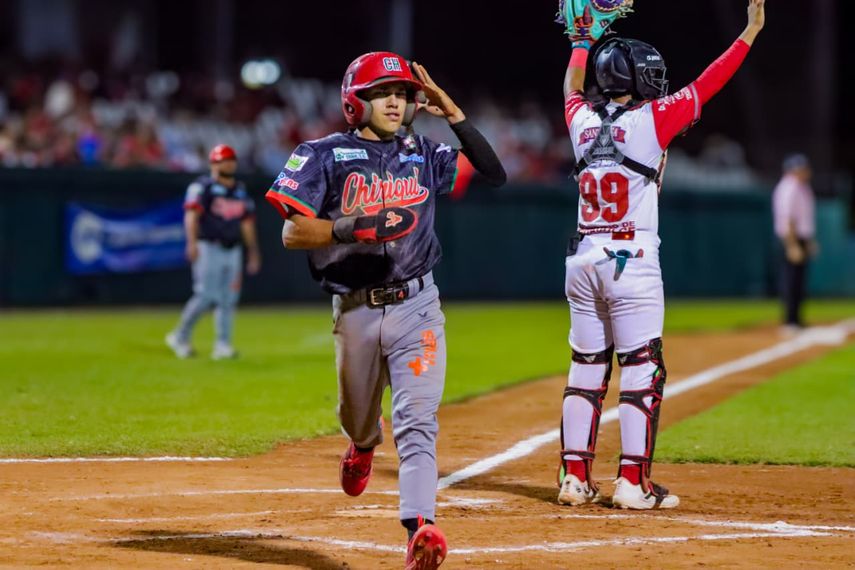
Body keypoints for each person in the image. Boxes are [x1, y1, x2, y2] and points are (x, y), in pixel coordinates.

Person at [265, 52, 505, 569]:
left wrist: (452, 111)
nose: (394, 101)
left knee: (417, 418)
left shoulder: (425, 153)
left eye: (400, 92)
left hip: (418, 304)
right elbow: (291, 231)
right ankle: (362, 444)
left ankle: (421, 527)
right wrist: (351, 226)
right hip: (355, 309)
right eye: (380, 92)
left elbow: (493, 172)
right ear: (355, 101)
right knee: (357, 415)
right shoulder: (322, 154)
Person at [556, 0, 765, 509]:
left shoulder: (581, 121)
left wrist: (580, 41)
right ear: (634, 77)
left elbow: (570, 89)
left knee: (586, 369)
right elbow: (709, 83)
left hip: (582, 260)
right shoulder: (653, 119)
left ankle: (574, 478)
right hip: (631, 260)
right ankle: (632, 483)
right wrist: (751, 31)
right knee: (642, 368)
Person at [166, 144, 261, 359]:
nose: (227, 163)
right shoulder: (203, 187)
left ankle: (222, 345)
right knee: (206, 296)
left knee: (228, 299)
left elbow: (247, 223)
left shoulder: (239, 190)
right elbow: (191, 216)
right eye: (222, 159)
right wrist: (191, 243)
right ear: (213, 163)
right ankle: (180, 335)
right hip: (209, 245)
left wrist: (253, 251)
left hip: (233, 248)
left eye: (230, 159)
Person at [772, 154, 817, 331]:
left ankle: (796, 319)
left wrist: (809, 241)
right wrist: (792, 245)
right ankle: (790, 321)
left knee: (799, 281)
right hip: (792, 238)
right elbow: (788, 218)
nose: (806, 171)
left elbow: (804, 218)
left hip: (801, 237)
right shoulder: (788, 187)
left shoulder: (802, 187)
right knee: (791, 280)